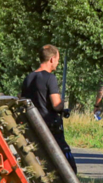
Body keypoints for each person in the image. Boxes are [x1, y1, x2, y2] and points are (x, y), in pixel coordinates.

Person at [21, 44, 76, 173]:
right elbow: (56, 105)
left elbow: (22, 100)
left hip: (33, 126)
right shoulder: (50, 78)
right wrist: (63, 105)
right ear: (51, 59)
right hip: (50, 126)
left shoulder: (28, 78)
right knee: (68, 164)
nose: (57, 63)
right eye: (57, 59)